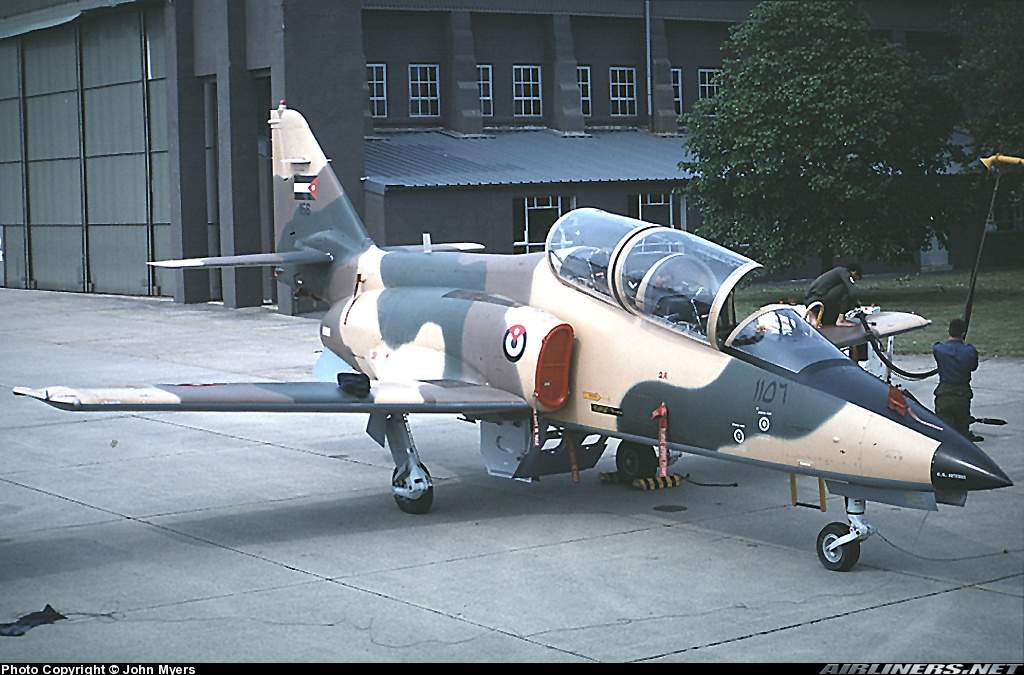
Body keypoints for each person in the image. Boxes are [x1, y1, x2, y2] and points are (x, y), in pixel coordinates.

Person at [933, 318, 981, 442]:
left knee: (944, 431)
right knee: (962, 430)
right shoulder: (969, 351)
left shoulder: (938, 349)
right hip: (962, 394)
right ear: (963, 333)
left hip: (944, 394)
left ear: (949, 331)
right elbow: (973, 367)